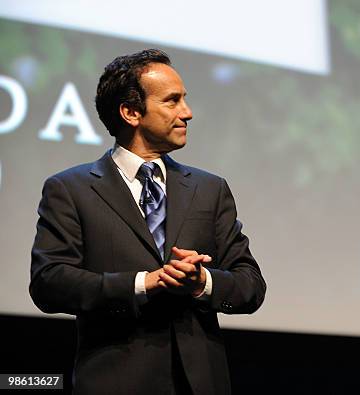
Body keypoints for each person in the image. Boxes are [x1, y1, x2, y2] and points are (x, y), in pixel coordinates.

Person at [30, 49, 266, 394]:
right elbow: (49, 284)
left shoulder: (209, 189)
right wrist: (143, 283)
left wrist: (202, 281)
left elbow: (250, 287)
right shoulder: (70, 189)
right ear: (130, 112)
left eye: (184, 99)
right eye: (173, 101)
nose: (187, 112)